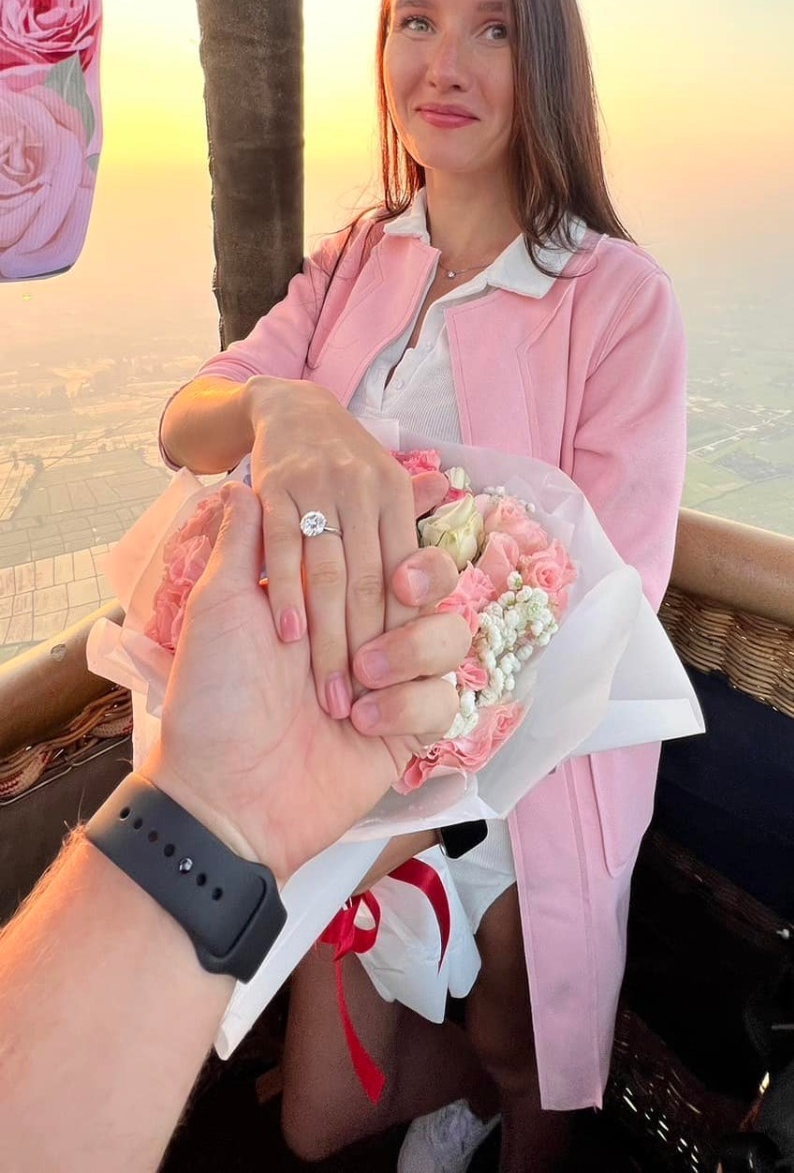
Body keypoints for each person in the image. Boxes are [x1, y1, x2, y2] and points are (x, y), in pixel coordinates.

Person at [160, 0, 687, 1172]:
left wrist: (365, 822)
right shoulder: (355, 260)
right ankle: (471, 1090)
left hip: (529, 770)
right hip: (340, 754)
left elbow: (607, 601)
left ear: (543, 58)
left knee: (529, 1054)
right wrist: (280, 406)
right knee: (316, 1118)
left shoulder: (612, 299)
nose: (443, 64)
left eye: (491, 29)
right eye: (414, 20)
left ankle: (507, 1100)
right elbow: (186, 421)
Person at [0, 482, 470, 1173]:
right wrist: (218, 809)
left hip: (446, 822)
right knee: (320, 1115)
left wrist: (213, 807)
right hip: (344, 823)